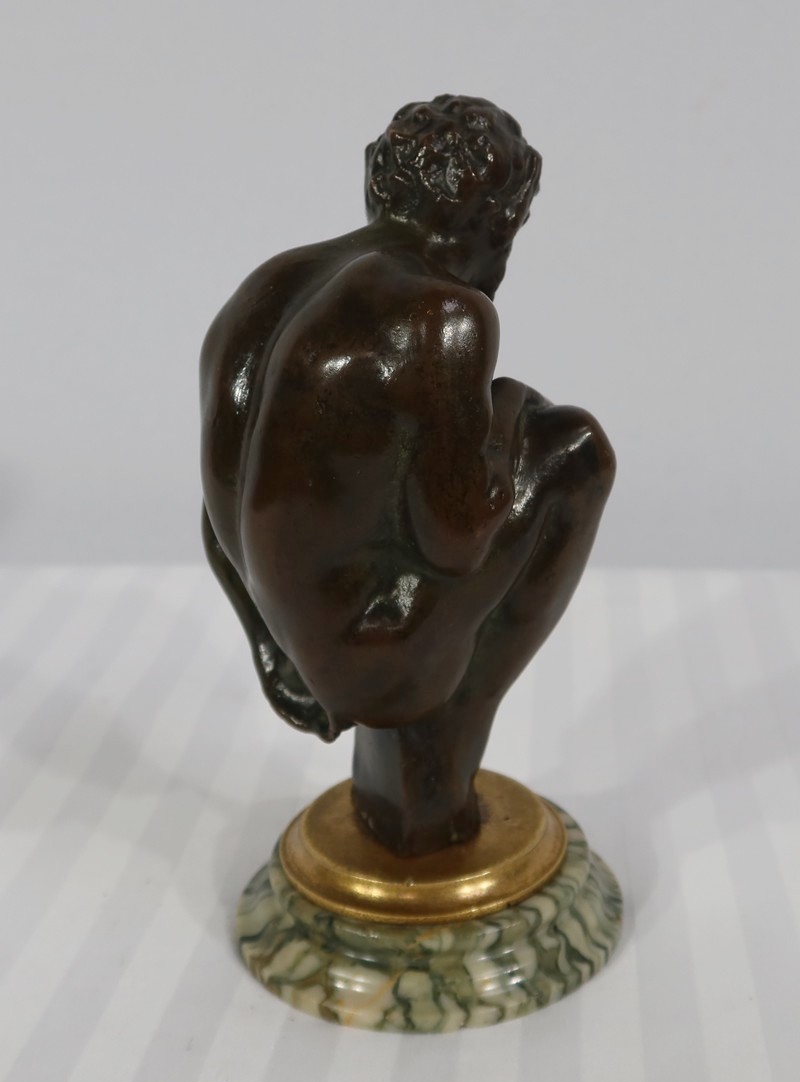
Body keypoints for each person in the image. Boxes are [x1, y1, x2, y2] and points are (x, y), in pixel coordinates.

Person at [200, 96, 615, 854]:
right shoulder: (444, 314)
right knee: (577, 451)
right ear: (498, 224)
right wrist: (512, 408)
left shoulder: (273, 284)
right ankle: (433, 789)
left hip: (277, 629)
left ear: (375, 181)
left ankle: (391, 755)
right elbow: (458, 539)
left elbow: (218, 501)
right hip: (366, 654)